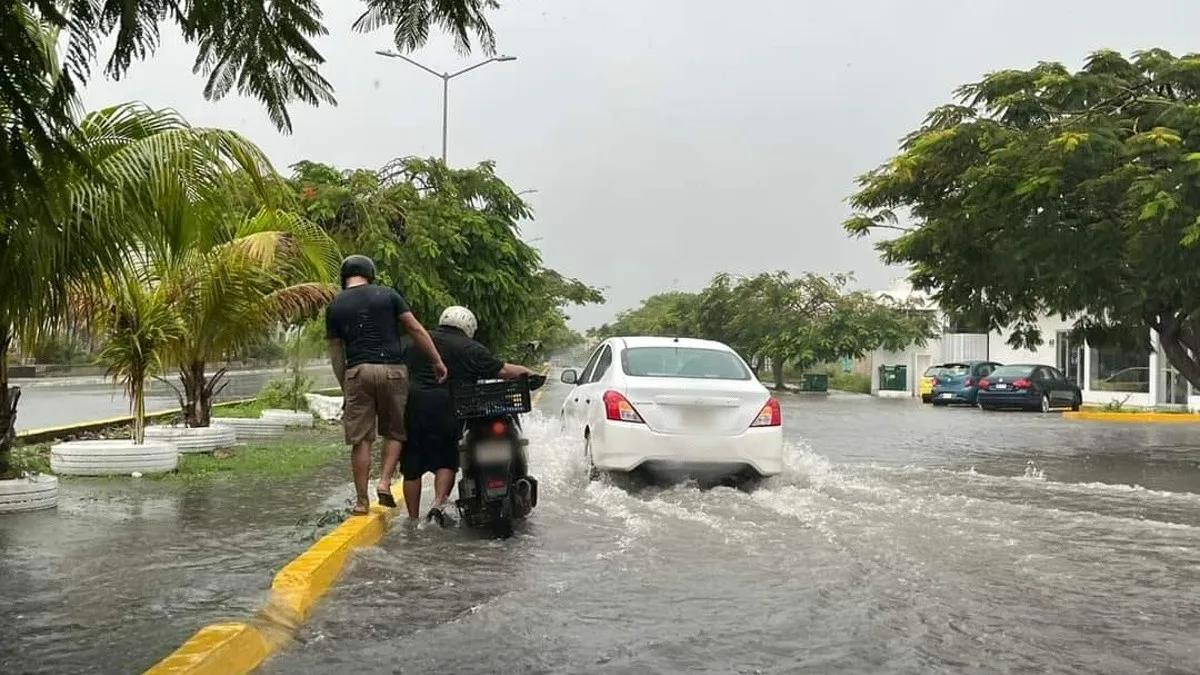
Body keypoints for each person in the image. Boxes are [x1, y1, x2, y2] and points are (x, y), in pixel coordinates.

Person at [325, 255, 447, 516]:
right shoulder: (388, 295)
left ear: (344, 277)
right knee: (395, 432)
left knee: (361, 440)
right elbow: (415, 329)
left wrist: (345, 385)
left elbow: (336, 355)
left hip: (358, 372)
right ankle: (383, 482)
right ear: (370, 274)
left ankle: (361, 502)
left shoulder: (334, 306)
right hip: (393, 370)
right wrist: (436, 360)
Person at [403, 305, 537, 524]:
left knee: (412, 466)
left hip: (415, 406)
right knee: (446, 460)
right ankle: (437, 504)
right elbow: (501, 370)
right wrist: (529, 373)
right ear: (468, 326)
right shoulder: (471, 348)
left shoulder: (416, 341)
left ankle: (411, 519)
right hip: (449, 407)